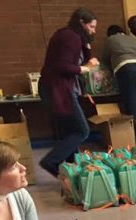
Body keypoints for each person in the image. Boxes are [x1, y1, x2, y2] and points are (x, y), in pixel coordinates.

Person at [38, 7, 99, 177]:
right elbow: (63, 66)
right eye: (91, 27)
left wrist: (87, 45)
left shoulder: (74, 36)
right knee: (81, 130)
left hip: (57, 89)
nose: (93, 31)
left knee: (70, 131)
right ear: (81, 23)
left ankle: (72, 171)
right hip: (58, 90)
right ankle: (51, 161)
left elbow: (84, 59)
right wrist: (85, 69)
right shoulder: (69, 37)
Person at [102, 25, 136, 142]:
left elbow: (104, 60)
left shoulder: (110, 40)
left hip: (127, 70)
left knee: (132, 105)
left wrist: (111, 72)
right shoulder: (133, 39)